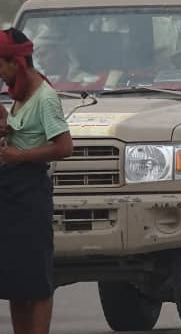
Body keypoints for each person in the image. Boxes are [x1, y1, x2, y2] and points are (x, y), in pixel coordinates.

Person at [0, 28, 73, 334]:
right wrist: (7, 126)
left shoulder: (45, 97)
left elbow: (64, 146)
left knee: (37, 281)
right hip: (10, 191)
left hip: (30, 193)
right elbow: (23, 132)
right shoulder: (17, 92)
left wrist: (20, 156)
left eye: (0, 64)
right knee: (16, 282)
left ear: (17, 61)